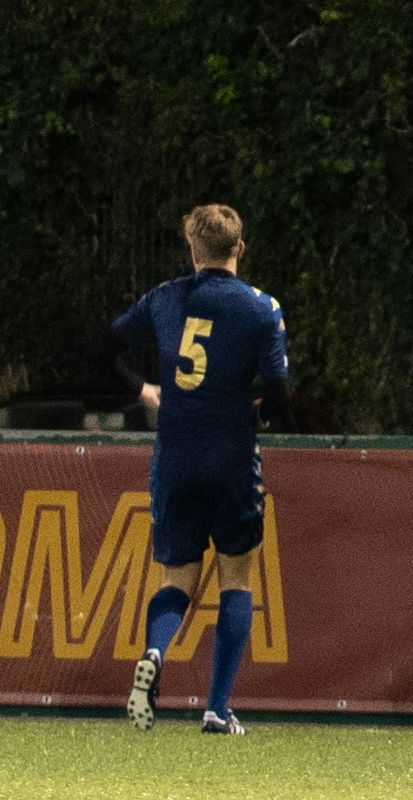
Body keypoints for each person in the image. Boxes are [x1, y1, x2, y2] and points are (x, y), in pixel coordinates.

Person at [120, 202, 293, 735]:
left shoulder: (165, 298)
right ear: (239, 248)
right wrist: (259, 403)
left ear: (192, 250)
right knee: (235, 578)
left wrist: (143, 388)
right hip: (232, 454)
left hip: (175, 455)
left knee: (177, 578)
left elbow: (106, 346)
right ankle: (217, 707)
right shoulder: (262, 308)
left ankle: (154, 649)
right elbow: (280, 390)